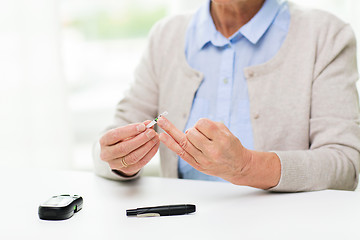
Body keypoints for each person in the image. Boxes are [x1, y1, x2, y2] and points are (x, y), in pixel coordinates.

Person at [93, 0, 360, 192]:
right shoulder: (166, 35)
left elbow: (344, 166)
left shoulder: (326, 35)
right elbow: (108, 144)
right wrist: (120, 161)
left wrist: (248, 166)